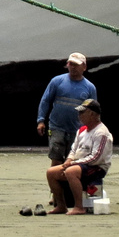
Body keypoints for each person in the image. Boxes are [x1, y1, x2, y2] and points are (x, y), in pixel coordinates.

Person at [35, 53, 97, 203]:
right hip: (57, 127)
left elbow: (94, 110)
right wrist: (40, 120)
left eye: (76, 64)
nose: (73, 67)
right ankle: (57, 196)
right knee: (56, 160)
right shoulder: (57, 81)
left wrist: (93, 129)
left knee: (75, 162)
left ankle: (72, 195)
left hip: (78, 130)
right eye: (70, 64)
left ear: (84, 67)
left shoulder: (89, 87)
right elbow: (45, 100)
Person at [45, 99, 114, 215]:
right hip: (80, 165)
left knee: (71, 171)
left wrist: (72, 164)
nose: (79, 115)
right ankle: (61, 206)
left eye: (82, 112)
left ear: (92, 114)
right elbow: (73, 150)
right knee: (51, 172)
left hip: (96, 167)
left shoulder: (101, 132)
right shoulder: (81, 130)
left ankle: (79, 206)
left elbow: (96, 157)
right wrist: (68, 160)